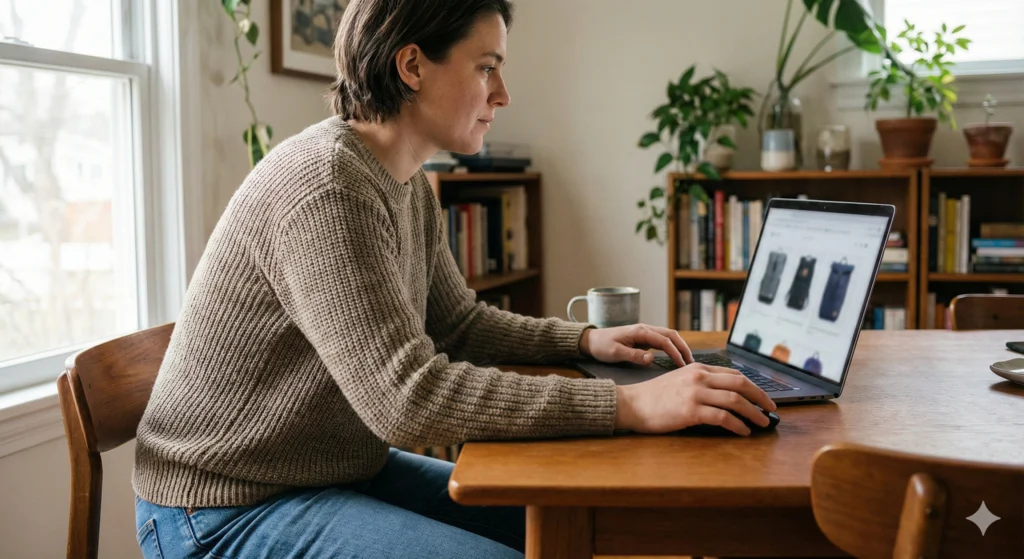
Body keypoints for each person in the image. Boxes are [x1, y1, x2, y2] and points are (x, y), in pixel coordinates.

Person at [132, 0, 776, 557]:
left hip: (327, 470)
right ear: (412, 67)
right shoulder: (326, 189)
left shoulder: (405, 181)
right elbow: (405, 400)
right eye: (487, 67)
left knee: (581, 526)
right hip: (218, 509)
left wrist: (582, 344)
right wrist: (628, 403)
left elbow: (457, 324)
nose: (503, 95)